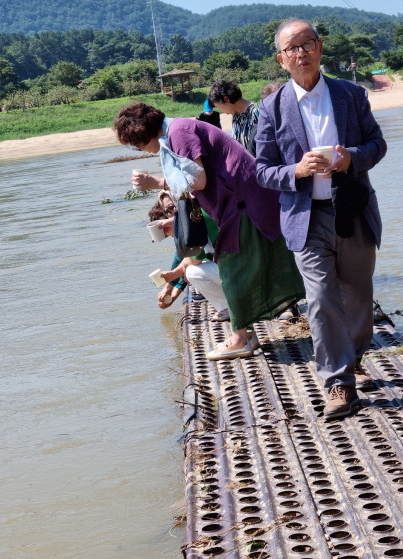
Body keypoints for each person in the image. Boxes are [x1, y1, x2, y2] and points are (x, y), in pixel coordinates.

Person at [255, 18, 387, 418]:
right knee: (320, 300)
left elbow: (377, 144)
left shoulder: (351, 94)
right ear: (281, 59)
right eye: (292, 49)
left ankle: (355, 359)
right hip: (305, 217)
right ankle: (338, 383)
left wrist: (352, 158)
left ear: (320, 47)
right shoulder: (271, 108)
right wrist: (296, 170)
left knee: (358, 296)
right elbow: (262, 171)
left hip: (352, 210)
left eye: (307, 44)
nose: (301, 53)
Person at [114, 102, 304, 360]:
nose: (141, 150)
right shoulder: (176, 131)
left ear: (143, 133)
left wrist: (156, 183)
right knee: (235, 267)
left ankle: (240, 339)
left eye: (138, 145)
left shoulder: (178, 133)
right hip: (238, 200)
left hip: (243, 201)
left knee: (232, 268)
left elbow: (198, 180)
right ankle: (246, 334)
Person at [148, 191, 186, 309]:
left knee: (191, 271)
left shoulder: (189, 232)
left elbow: (185, 264)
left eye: (172, 208)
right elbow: (182, 262)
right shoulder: (182, 234)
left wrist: (168, 288)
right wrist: (172, 297)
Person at [208, 81, 259, 156]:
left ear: (226, 99)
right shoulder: (235, 116)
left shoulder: (257, 113)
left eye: (219, 107)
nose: (221, 111)